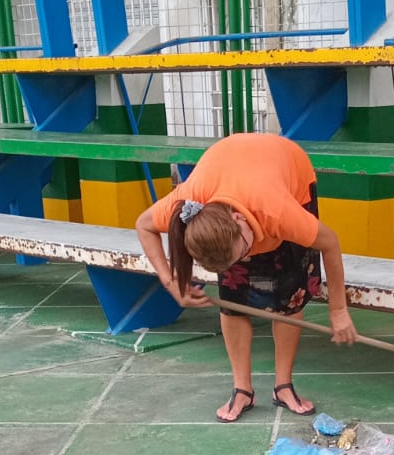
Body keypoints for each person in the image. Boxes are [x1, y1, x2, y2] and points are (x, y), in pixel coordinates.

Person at [136, 133, 357, 423]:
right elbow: (144, 224)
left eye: (243, 253)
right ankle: (242, 389)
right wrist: (171, 282)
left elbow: (330, 243)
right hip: (226, 168)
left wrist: (338, 310)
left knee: (290, 295)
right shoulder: (189, 204)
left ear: (239, 220)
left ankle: (283, 386)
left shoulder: (278, 211)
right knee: (233, 299)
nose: (244, 261)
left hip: (286, 166)